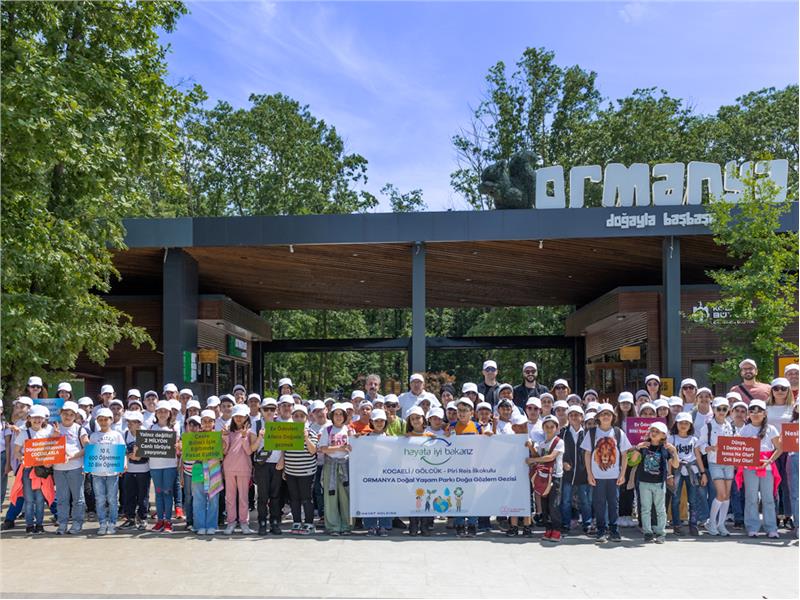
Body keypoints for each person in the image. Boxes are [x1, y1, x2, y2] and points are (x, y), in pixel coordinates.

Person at [581, 403, 631, 543]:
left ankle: (614, 529)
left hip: (614, 476)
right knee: (599, 503)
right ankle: (601, 530)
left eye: (608, 414)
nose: (605, 416)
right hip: (597, 476)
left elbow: (625, 454)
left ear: (613, 417)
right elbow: (587, 454)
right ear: (598, 417)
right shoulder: (592, 433)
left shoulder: (618, 432)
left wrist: (622, 474)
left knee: (613, 503)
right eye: (603, 414)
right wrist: (589, 474)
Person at [737, 399, 782, 538]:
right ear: (748, 414)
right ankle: (752, 526)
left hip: (766, 467)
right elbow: (739, 448)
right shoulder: (744, 430)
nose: (755, 414)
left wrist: (770, 460)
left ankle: (771, 527)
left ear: (765, 413)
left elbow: (780, 448)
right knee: (751, 497)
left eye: (759, 411)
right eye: (752, 411)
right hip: (749, 467)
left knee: (768, 498)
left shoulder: (771, 429)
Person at [635, 421, 679, 543]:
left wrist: (674, 452)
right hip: (644, 482)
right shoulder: (644, 447)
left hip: (659, 483)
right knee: (645, 509)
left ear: (663, 436)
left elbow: (675, 464)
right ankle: (648, 532)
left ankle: (660, 533)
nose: (654, 433)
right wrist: (637, 448)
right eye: (652, 430)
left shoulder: (665, 449)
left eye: (657, 431)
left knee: (660, 509)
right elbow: (632, 461)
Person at [278, 404, 318, 535]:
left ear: (306, 418)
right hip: (291, 471)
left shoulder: (311, 432)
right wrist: (284, 466)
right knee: (294, 499)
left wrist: (306, 437)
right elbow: (284, 449)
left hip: (306, 472)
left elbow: (313, 451)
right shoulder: (288, 431)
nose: (298, 418)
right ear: (292, 417)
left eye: (301, 416)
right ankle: (296, 521)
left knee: (306, 498)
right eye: (296, 416)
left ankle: (309, 523)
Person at [13, 405, 54, 534]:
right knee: (29, 499)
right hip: (28, 471)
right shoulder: (24, 433)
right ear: (29, 418)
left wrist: (50, 462)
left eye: (40, 418)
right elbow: (16, 452)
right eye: (34, 417)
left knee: (41, 499)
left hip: (42, 471)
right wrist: (22, 458)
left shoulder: (48, 433)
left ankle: (40, 524)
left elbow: (54, 450)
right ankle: (29, 525)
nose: (37, 420)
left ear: (44, 420)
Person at [697, 397, 734, 536]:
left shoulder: (731, 425)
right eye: (719, 409)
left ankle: (721, 524)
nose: (722, 411)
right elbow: (700, 446)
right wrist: (710, 448)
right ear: (714, 409)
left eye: (725, 409)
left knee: (727, 495)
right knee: (721, 494)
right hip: (715, 463)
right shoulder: (708, 426)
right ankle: (711, 522)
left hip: (729, 463)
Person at [87, 407, 126, 535]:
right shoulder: (94, 436)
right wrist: (87, 466)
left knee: (112, 499)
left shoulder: (116, 435)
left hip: (112, 473)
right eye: (101, 419)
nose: (103, 422)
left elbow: (122, 451)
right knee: (100, 499)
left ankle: (112, 523)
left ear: (111, 420)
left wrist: (123, 464)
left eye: (106, 419)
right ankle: (102, 523)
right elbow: (90, 453)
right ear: (97, 421)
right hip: (97, 473)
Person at [52, 401, 89, 535]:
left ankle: (77, 523)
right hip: (58, 469)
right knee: (62, 499)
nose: (68, 416)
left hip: (75, 467)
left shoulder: (80, 429)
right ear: (60, 414)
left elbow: (87, 447)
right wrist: (54, 437)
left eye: (71, 414)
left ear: (75, 416)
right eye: (65, 414)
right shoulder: (54, 428)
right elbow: (48, 447)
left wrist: (73, 456)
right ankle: (62, 524)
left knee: (78, 498)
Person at [668, 413, 707, 536]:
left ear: (690, 425)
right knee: (675, 499)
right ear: (676, 424)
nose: (683, 425)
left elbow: (698, 457)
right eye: (681, 423)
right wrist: (669, 475)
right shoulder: (671, 439)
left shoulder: (694, 440)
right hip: (677, 471)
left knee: (693, 500)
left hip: (692, 471)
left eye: (686, 423)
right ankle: (676, 524)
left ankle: (693, 524)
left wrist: (703, 473)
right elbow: (668, 458)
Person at [527, 415, 564, 541]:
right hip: (542, 477)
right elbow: (538, 455)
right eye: (546, 427)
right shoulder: (542, 444)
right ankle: (548, 529)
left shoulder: (559, 442)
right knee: (544, 505)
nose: (549, 429)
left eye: (552, 427)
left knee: (554, 505)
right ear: (543, 428)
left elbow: (550, 457)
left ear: (557, 428)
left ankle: (557, 530)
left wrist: (533, 459)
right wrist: (531, 447)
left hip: (554, 478)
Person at [318, 403, 353, 536]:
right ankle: (333, 526)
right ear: (332, 416)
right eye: (336, 414)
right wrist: (340, 448)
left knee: (346, 497)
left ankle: (346, 526)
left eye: (341, 414)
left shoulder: (349, 430)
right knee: (331, 496)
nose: (338, 416)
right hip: (331, 465)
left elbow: (353, 447)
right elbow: (322, 448)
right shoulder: (327, 430)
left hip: (345, 465)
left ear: (345, 416)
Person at [222, 404, 255, 535]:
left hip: (244, 469)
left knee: (243, 498)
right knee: (229, 497)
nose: (239, 418)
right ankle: (231, 522)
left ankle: (244, 522)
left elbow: (248, 451)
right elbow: (224, 451)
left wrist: (243, 437)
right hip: (229, 468)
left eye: (241, 416)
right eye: (236, 416)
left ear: (247, 417)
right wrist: (224, 436)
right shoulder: (227, 431)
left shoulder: (250, 432)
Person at [559, 405, 591, 536]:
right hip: (568, 473)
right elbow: (558, 451)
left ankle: (587, 523)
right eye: (571, 415)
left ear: (582, 417)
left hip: (583, 474)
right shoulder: (563, 432)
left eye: (577, 414)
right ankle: (565, 524)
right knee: (565, 500)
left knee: (585, 501)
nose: (574, 417)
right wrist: (563, 462)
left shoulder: (588, 434)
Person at [451, 397, 481, 537]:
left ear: (471, 412)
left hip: (473, 468)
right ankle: (459, 523)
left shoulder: (477, 426)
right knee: (459, 496)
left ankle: (472, 523)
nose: (462, 413)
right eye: (459, 410)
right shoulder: (451, 426)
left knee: (473, 496)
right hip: (457, 468)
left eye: (465, 410)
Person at [767, 378, 794, 529]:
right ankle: (775, 515)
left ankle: (789, 515)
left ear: (788, 390)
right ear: (771, 390)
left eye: (783, 388)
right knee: (772, 484)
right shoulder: (765, 407)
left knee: (788, 485)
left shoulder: (794, 407)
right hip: (770, 450)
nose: (779, 391)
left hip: (789, 450)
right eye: (776, 388)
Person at [252, 397, 282, 535]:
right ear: (261, 410)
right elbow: (252, 448)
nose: (269, 412)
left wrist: (283, 461)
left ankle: (275, 521)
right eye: (266, 409)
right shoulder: (256, 424)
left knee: (276, 495)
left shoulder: (280, 424)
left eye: (272, 409)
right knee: (263, 495)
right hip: (262, 464)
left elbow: (286, 446)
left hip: (276, 463)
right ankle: (262, 522)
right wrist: (259, 437)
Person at [149, 400, 180, 533]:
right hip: (155, 465)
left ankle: (168, 521)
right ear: (156, 413)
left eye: (165, 411)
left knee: (167, 492)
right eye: (160, 411)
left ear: (169, 413)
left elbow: (178, 449)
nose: (162, 414)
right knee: (158, 493)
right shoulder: (151, 428)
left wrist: (178, 447)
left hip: (169, 465)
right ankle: (159, 521)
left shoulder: (174, 429)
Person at [192, 410, 223, 535]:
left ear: (214, 423)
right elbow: (188, 454)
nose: (207, 423)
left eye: (210, 421)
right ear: (201, 423)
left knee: (213, 499)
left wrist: (224, 439)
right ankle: (200, 525)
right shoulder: (194, 437)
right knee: (198, 499)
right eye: (204, 421)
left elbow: (223, 453)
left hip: (214, 469)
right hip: (198, 468)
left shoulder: (218, 436)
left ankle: (211, 525)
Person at [120, 411, 149, 531]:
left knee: (143, 496)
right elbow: (121, 450)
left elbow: (150, 451)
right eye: (128, 421)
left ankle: (143, 518)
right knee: (129, 495)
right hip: (129, 471)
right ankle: (130, 519)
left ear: (139, 423)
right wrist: (129, 456)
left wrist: (139, 456)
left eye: (132, 422)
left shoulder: (146, 434)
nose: (129, 424)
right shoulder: (125, 434)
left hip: (144, 470)